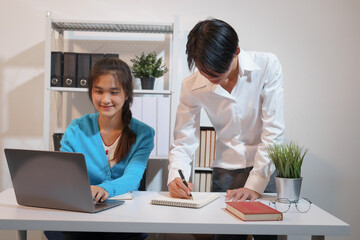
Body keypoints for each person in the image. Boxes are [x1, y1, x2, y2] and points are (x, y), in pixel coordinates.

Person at [167, 19, 284, 240]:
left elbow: (273, 130)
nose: (212, 80)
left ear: (236, 52)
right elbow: (183, 140)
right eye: (204, 72)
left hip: (265, 169)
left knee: (266, 236)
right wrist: (176, 176)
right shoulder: (191, 86)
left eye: (217, 73)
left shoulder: (267, 65)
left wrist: (255, 185)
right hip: (225, 172)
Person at [57, 57, 154, 240]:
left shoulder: (144, 134)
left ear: (126, 94)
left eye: (114, 92)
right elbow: (64, 174)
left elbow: (133, 178)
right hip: (81, 219)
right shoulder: (77, 128)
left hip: (124, 221)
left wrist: (104, 189)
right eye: (98, 91)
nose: (105, 99)